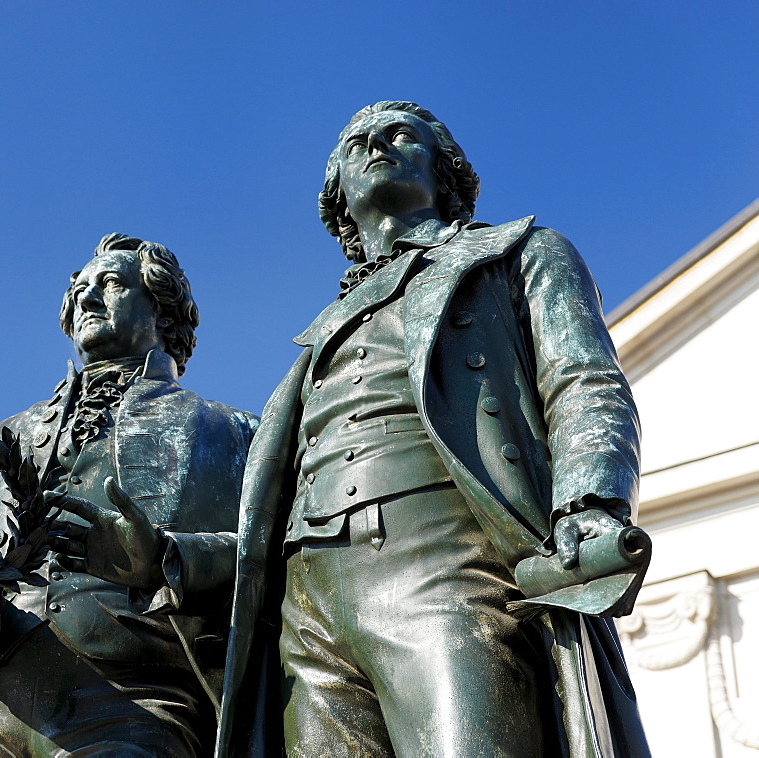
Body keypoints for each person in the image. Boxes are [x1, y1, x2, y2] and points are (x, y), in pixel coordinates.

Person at [217, 102, 650, 757]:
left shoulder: (519, 252)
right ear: (337, 193)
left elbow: (583, 379)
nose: (375, 146)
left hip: (449, 566)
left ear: (443, 169)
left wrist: (589, 500)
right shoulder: (313, 344)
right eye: (356, 142)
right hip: (307, 609)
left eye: (399, 135)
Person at [0, 233, 257, 757]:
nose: (86, 298)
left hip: (134, 703)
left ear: (164, 313)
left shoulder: (236, 434)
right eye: (81, 288)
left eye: (110, 284)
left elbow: (281, 554)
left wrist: (167, 560)